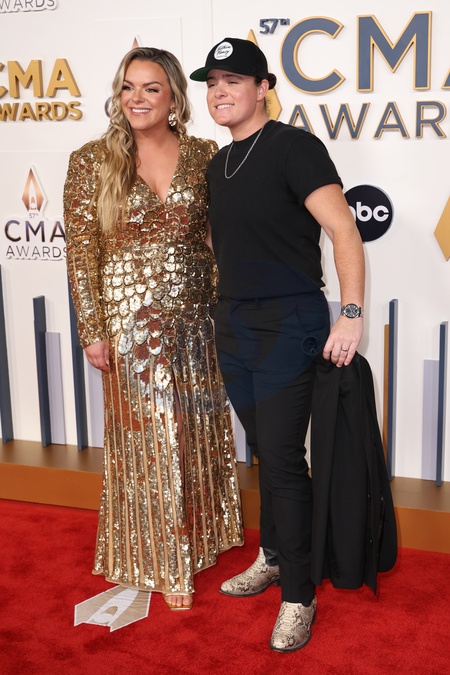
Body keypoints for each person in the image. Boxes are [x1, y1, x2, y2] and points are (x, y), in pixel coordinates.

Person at [190, 38, 365, 649]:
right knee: (265, 448)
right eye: (213, 83)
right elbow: (222, 241)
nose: (220, 92)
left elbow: (344, 230)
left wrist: (350, 314)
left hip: (291, 321)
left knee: (285, 458)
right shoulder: (218, 164)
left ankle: (298, 595)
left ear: (263, 87)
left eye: (234, 81)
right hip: (234, 321)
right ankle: (272, 556)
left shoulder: (294, 147)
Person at [64, 46, 244, 611]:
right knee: (150, 440)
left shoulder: (205, 154)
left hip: (197, 318)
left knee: (196, 431)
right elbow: (81, 253)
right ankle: (160, 560)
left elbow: (218, 238)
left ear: (173, 98)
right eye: (127, 87)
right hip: (130, 326)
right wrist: (92, 328)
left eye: (150, 88)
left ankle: (203, 538)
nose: (136, 99)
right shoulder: (91, 161)